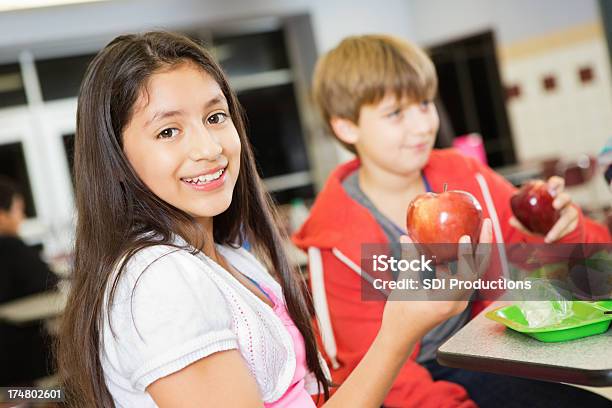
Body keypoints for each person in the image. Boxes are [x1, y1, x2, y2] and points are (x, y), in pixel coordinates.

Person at [56, 31, 493, 408]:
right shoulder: (157, 282)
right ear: (117, 157)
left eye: (215, 117)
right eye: (168, 131)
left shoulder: (228, 257)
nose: (208, 147)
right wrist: (399, 332)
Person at [292, 34, 611, 407]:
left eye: (425, 104)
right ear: (347, 127)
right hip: (415, 379)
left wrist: (563, 230)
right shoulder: (334, 243)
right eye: (396, 113)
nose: (422, 126)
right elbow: (376, 374)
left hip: (489, 350)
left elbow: (591, 274)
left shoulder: (466, 177)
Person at [0, 176, 59, 385]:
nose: (22, 218)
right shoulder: (10, 248)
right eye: (17, 210)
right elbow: (49, 283)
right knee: (68, 391)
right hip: (20, 372)